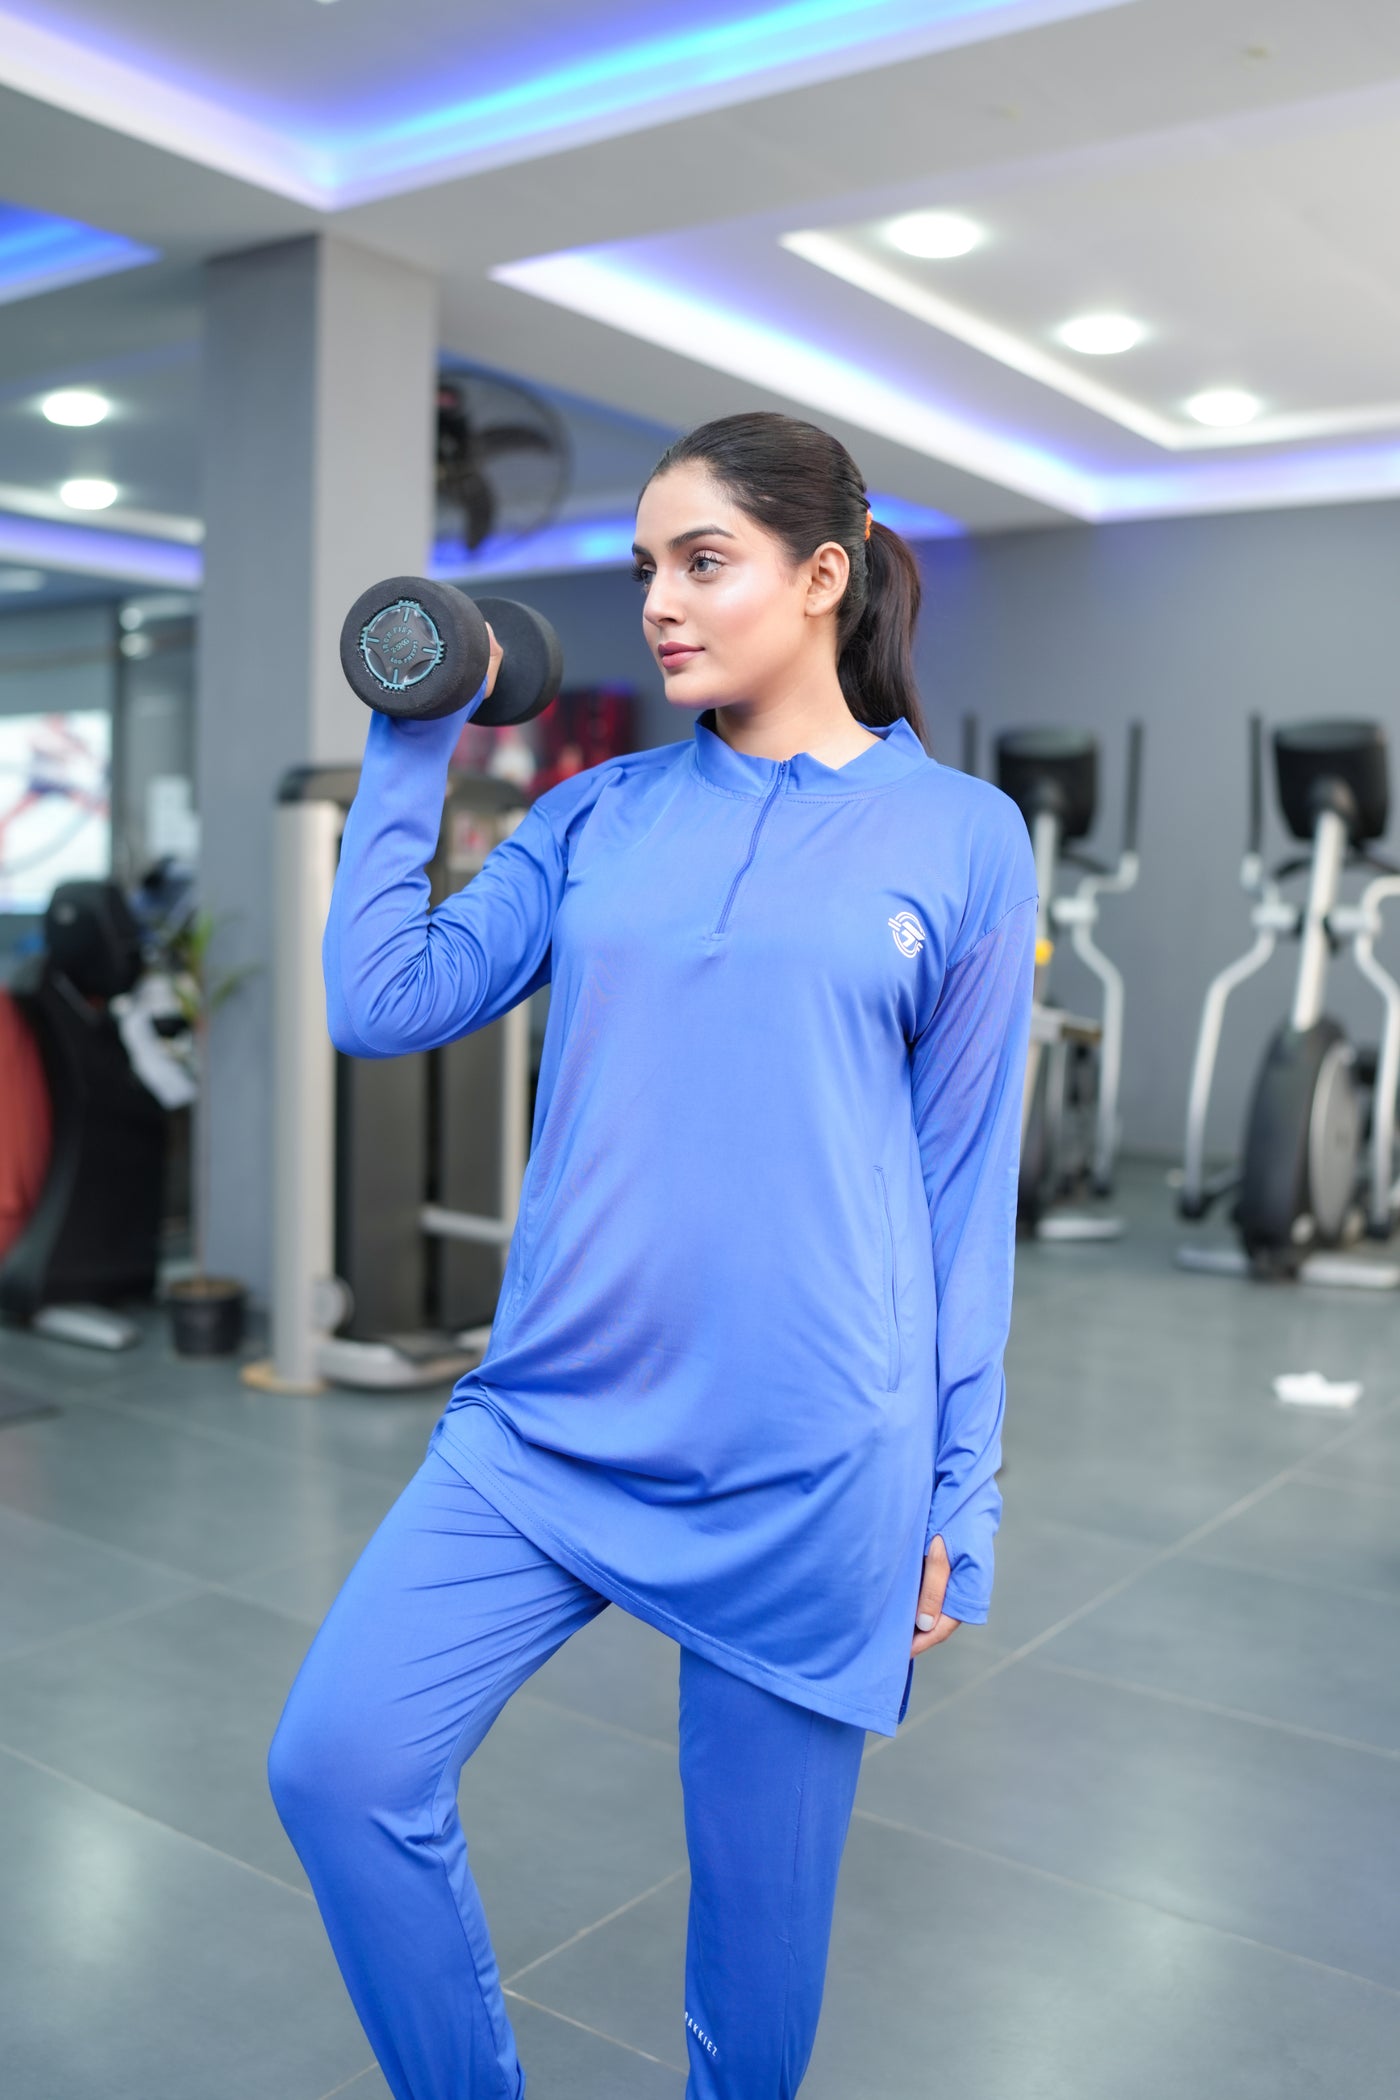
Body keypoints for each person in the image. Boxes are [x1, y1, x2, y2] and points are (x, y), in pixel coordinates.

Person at [268, 411, 1037, 2100]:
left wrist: (954, 1495)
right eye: (645, 571)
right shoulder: (593, 812)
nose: (662, 606)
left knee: (748, 2007)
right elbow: (382, 1002)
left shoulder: (966, 837)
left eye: (705, 562)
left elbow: (960, 1188)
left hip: (807, 1455)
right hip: (549, 1424)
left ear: (821, 579)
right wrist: (417, 739)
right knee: (337, 1765)